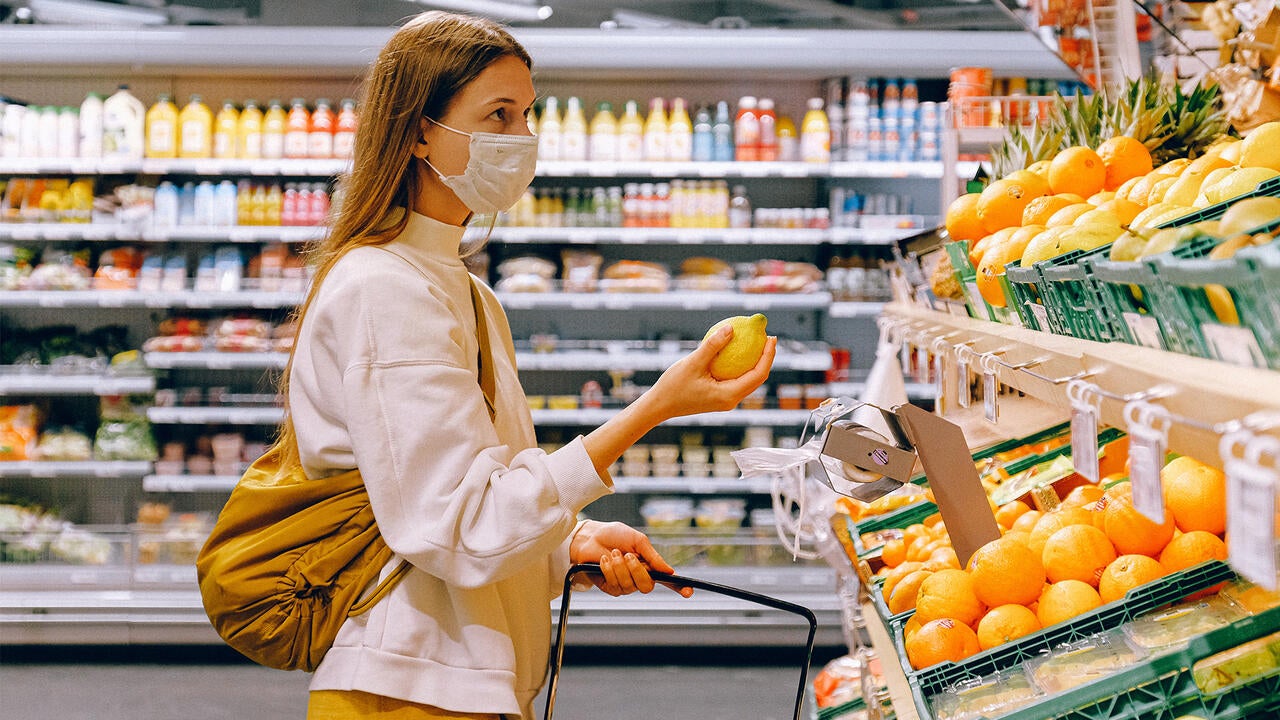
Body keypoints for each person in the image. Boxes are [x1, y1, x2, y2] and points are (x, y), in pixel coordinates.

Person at [277, 11, 777, 720]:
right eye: (499, 115)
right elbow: (461, 526)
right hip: (404, 689)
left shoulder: (465, 291)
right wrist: (654, 408)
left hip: (464, 684)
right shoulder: (383, 288)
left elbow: (478, 489)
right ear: (420, 130)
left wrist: (566, 543)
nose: (522, 139)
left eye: (527, 114)